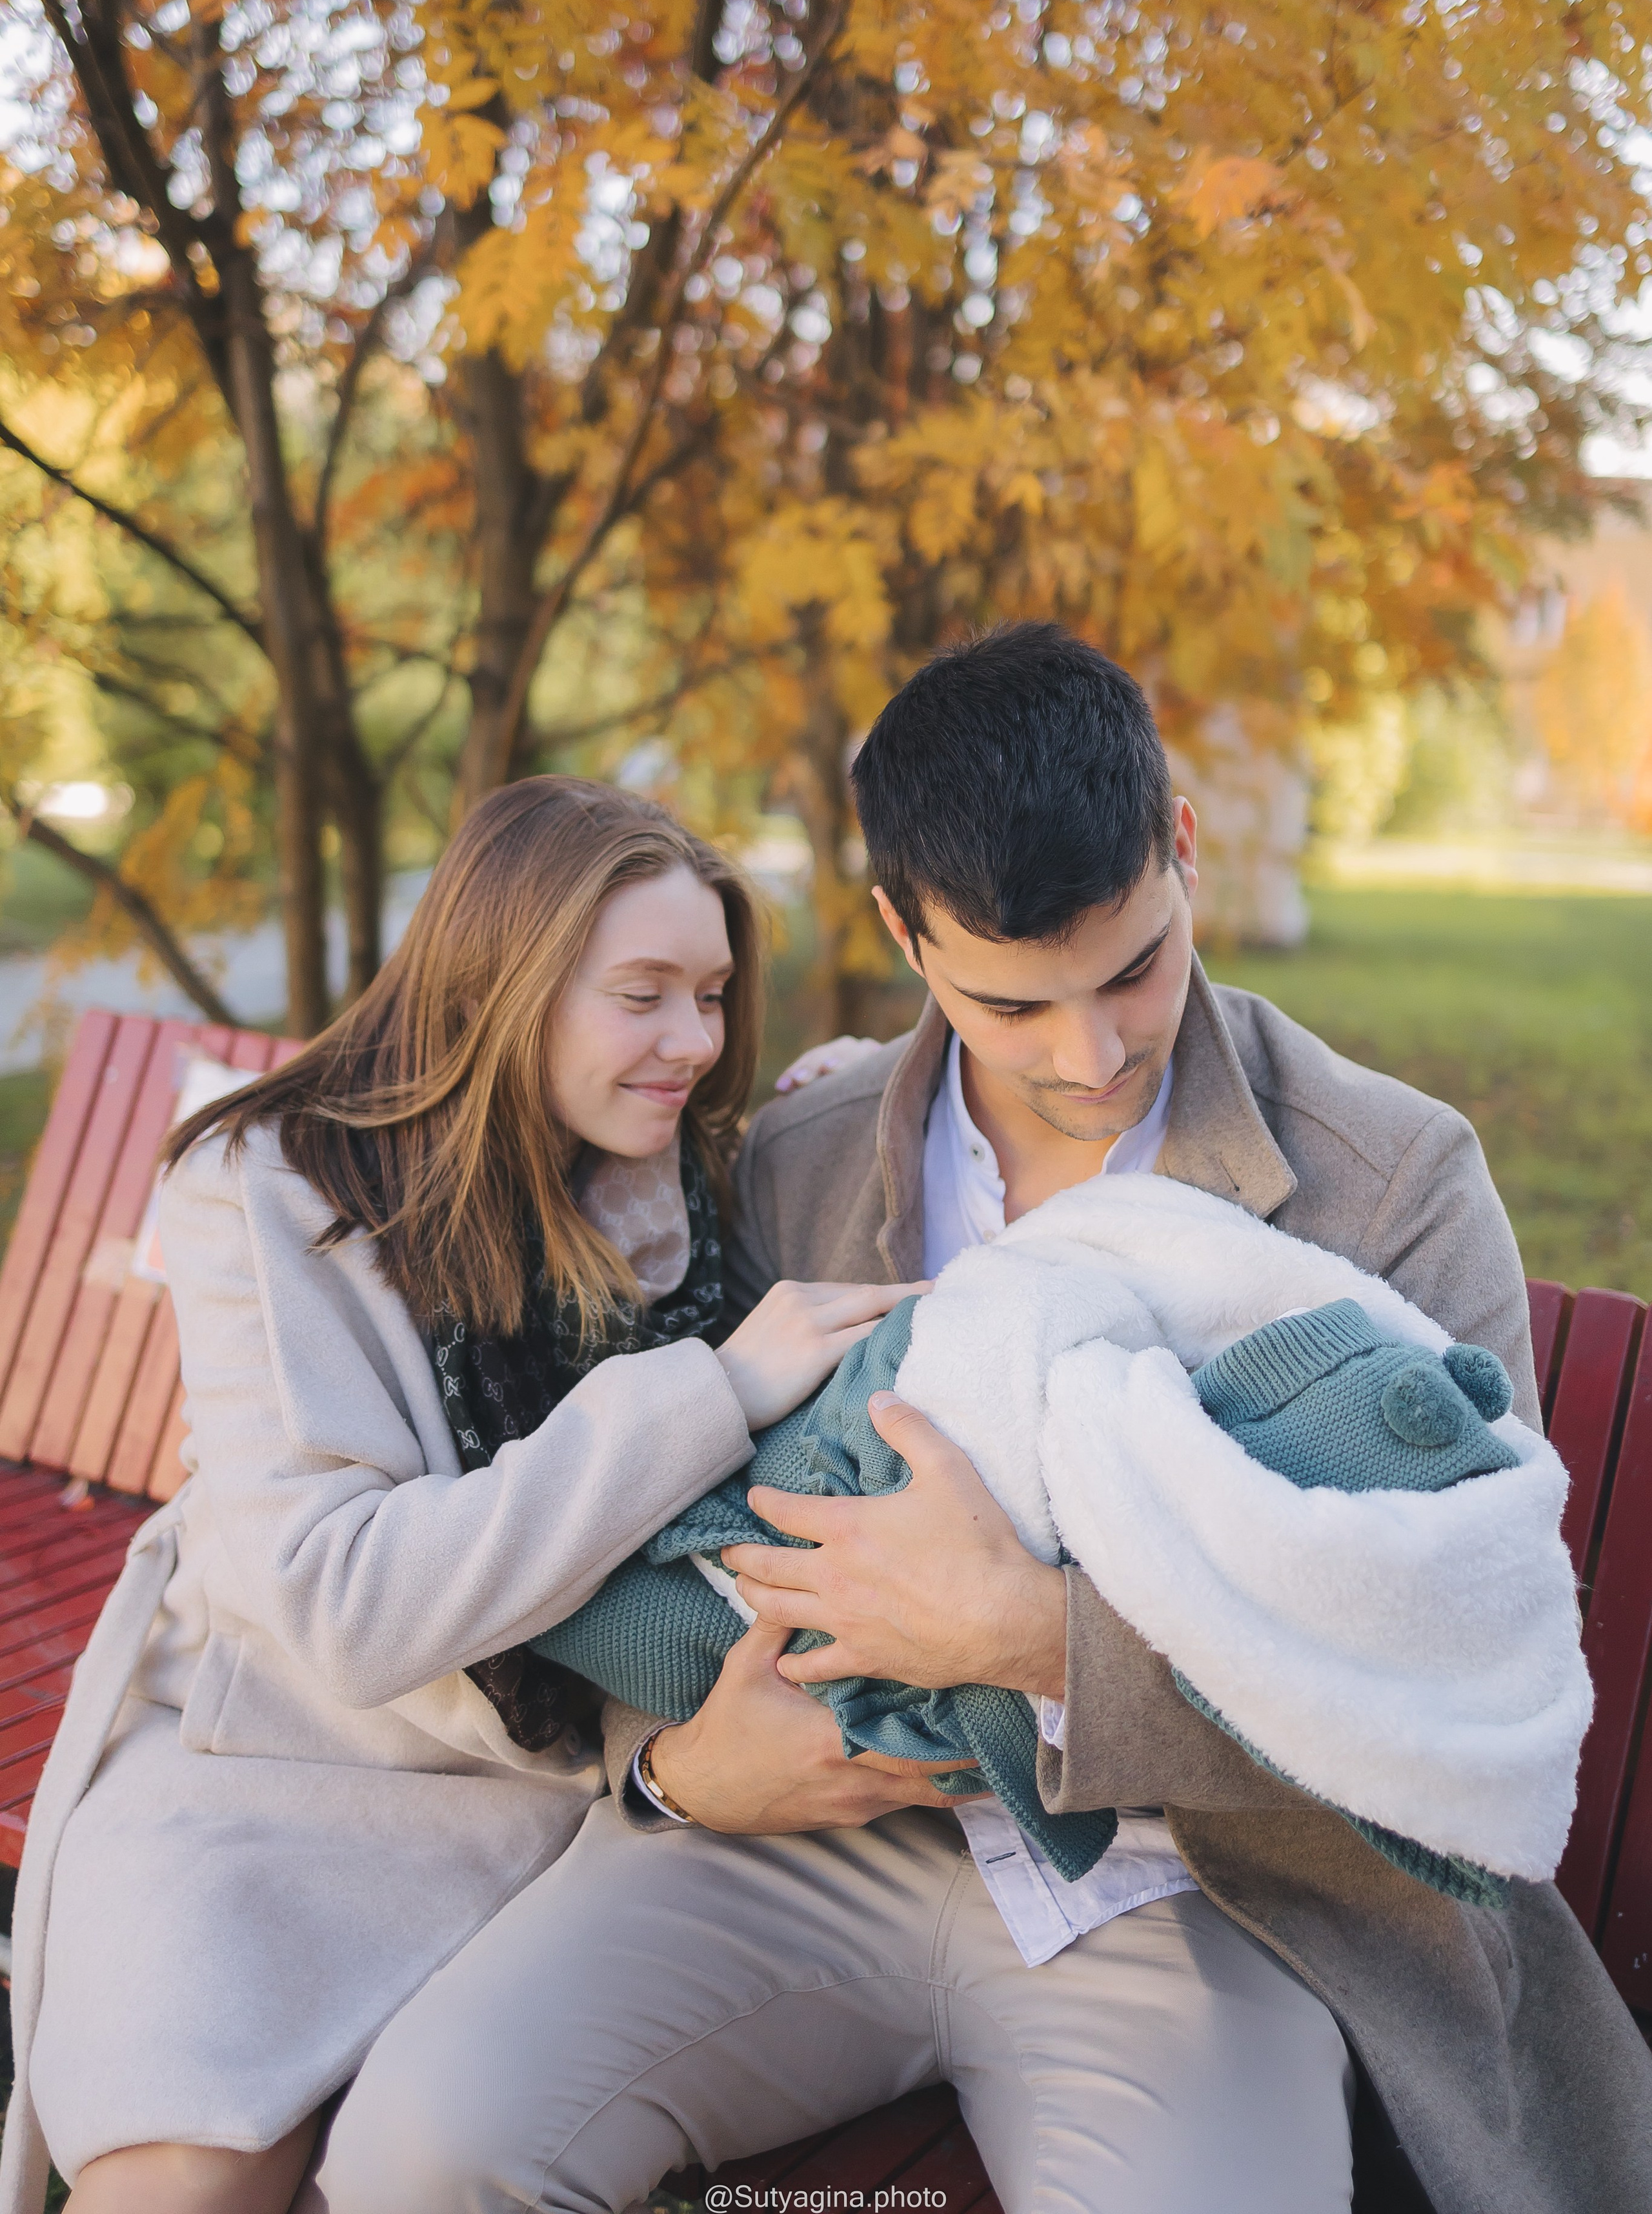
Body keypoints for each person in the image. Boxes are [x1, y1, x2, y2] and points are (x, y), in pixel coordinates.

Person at [312, 627, 1652, 2214]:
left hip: (1195, 1894)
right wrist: (680, 1774)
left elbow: (1463, 1653)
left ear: (1181, 849)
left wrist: (1033, 1639)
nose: (1087, 1057)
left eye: (1133, 971)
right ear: (901, 931)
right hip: (796, 1842)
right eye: (1012, 1007)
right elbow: (669, 1532)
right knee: (424, 2152)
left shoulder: (1388, 1183)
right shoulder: (792, 1155)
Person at [0, 778, 918, 2214]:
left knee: (411, 2160)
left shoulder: (673, 1176)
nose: (695, 1041)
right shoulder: (273, 1185)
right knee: (179, 2178)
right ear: (507, 983)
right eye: (644, 995)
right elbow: (346, 1607)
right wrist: (706, 1395)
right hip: (269, 1769)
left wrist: (849, 1097)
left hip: (526, 1801)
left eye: (716, 994)